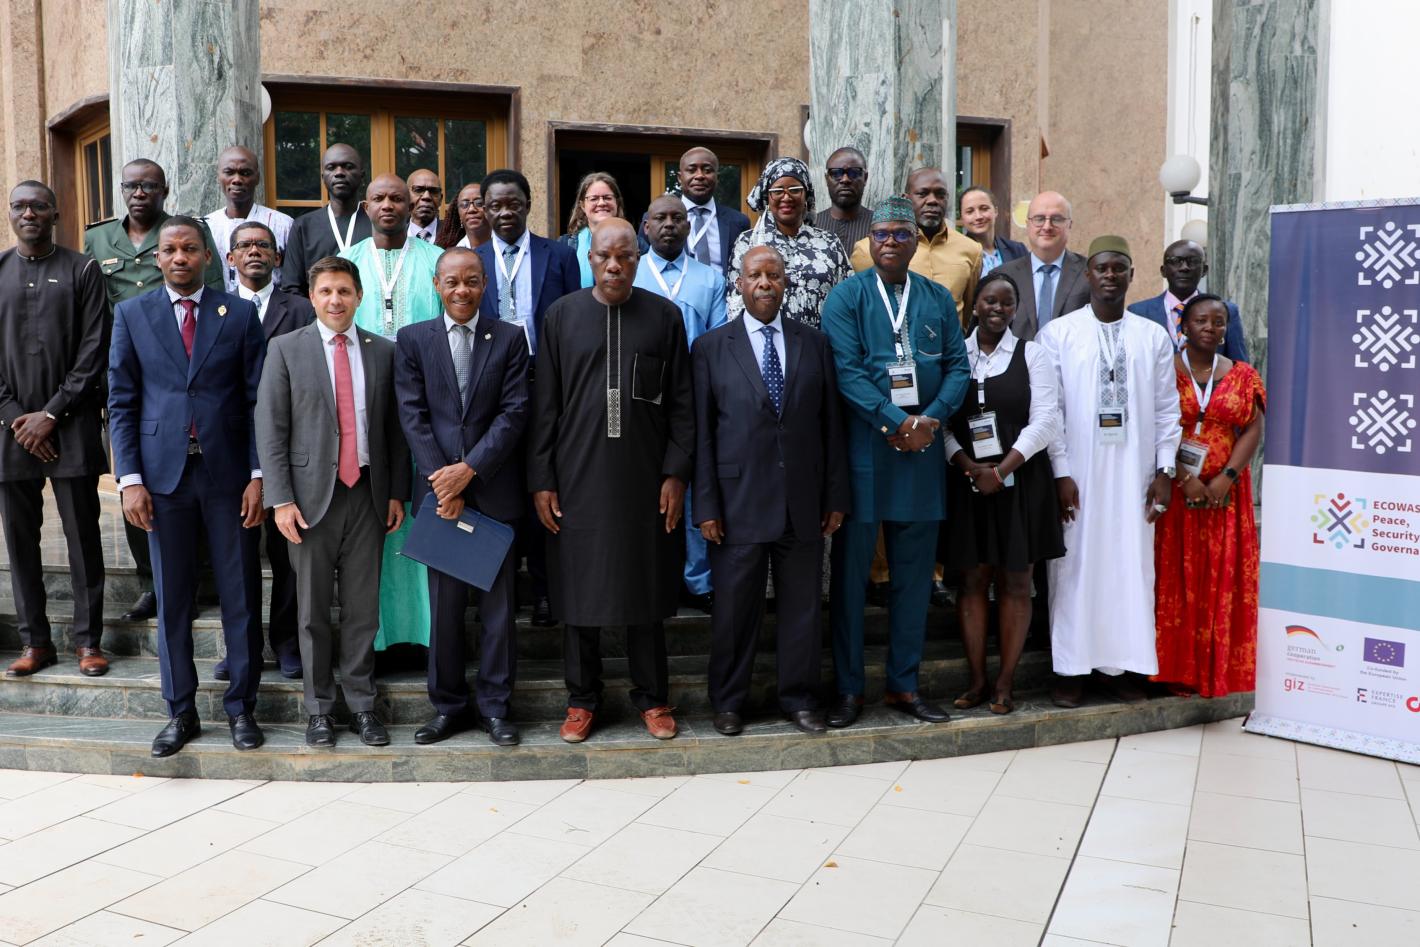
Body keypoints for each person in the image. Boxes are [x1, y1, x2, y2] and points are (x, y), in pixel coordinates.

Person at [529, 218, 694, 743]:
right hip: (576, 480)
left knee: (644, 590)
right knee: (579, 595)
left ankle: (653, 698)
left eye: (625, 256)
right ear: (590, 259)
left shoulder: (664, 318)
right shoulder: (560, 316)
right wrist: (542, 478)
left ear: (639, 258)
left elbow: (684, 406)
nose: (615, 265)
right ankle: (582, 700)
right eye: (604, 256)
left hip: (645, 480)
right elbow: (545, 407)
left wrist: (675, 473)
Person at [108, 216, 267, 757]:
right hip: (161, 480)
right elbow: (122, 402)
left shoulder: (239, 314)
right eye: (170, 249)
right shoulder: (131, 314)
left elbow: (255, 402)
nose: (180, 257)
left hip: (228, 480)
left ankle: (242, 708)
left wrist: (257, 474)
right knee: (172, 599)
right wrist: (129, 480)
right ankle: (181, 712)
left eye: (190, 249)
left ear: (208, 255)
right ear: (158, 257)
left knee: (240, 595)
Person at [821, 197, 970, 728]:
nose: (889, 241)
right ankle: (849, 689)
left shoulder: (935, 299)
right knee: (852, 580)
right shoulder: (847, 297)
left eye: (899, 234)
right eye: (880, 233)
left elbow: (957, 367)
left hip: (922, 455)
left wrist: (928, 420)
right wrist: (894, 421)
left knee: (913, 582)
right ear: (869, 241)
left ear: (913, 241)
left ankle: (904, 687)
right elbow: (846, 372)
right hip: (866, 452)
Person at [693, 245, 849, 735]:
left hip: (802, 502)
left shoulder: (814, 344)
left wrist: (835, 497)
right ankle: (728, 703)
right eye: (755, 275)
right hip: (736, 504)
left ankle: (800, 699)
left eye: (774, 275)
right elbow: (702, 434)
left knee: (802, 610)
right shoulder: (712, 347)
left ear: (786, 283)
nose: (765, 283)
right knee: (735, 612)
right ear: (738, 284)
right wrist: (707, 506)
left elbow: (831, 428)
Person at [256, 256, 409, 748]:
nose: (335, 300)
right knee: (312, 611)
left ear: (359, 296)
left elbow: (395, 433)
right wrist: (279, 499)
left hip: (366, 495)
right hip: (307, 501)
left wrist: (396, 493)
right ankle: (319, 708)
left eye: (344, 291)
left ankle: (363, 705)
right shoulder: (285, 349)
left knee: (364, 610)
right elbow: (271, 430)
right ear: (312, 297)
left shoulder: (383, 351)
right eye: (325, 292)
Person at [396, 248, 530, 746]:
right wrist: (441, 482)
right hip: (440, 499)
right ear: (437, 285)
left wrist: (467, 473)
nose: (461, 291)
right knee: (445, 611)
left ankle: (496, 707)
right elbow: (412, 415)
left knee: (499, 612)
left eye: (471, 281)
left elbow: (514, 414)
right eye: (452, 282)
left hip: (493, 492)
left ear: (484, 284)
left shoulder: (511, 339)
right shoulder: (413, 340)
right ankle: (448, 707)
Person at [1039, 235, 1181, 708]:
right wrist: (1060, 472)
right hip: (1078, 471)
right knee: (1074, 565)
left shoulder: (1152, 336)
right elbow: (1049, 410)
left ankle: (1121, 668)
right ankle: (1071, 670)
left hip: (1134, 472)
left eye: (1119, 269)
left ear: (1131, 275)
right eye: (1101, 268)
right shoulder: (1058, 334)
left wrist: (1164, 469)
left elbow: (1166, 410)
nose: (1110, 276)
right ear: (1088, 274)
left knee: (1130, 566)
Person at [84, 158, 223, 623]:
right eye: (131, 185)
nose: (139, 193)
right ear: (121, 189)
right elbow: (92, 312)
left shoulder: (186, 234)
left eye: (149, 186)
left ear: (164, 190)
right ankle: (152, 583)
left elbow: (215, 299)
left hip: (185, 369)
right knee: (137, 482)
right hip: (128, 372)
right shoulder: (97, 239)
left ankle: (199, 577)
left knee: (195, 481)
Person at [940, 270, 1063, 714]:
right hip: (968, 481)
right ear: (975, 305)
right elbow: (943, 422)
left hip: (1020, 481)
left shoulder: (1034, 356)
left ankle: (1006, 683)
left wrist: (1003, 468)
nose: (997, 309)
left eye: (1006, 303)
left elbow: (1046, 420)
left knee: (1016, 580)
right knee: (972, 579)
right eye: (989, 301)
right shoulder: (956, 355)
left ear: (1016, 310)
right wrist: (970, 466)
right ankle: (976, 680)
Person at [1, 181, 109, 679]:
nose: (29, 213)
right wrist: (16, 418)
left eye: (38, 205)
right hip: (11, 431)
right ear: (10, 214)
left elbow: (94, 351)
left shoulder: (82, 269)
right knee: (20, 541)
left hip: (71, 424)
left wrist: (52, 414)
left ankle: (89, 642)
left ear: (55, 212)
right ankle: (36, 642)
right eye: (20, 206)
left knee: (83, 536)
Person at [339, 173, 444, 661]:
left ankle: (427, 635)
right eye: (379, 198)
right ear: (365, 206)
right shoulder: (349, 263)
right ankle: (375, 639)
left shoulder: (436, 261)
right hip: (365, 410)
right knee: (374, 517)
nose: (388, 205)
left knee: (422, 513)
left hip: (428, 409)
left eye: (397, 198)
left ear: (412, 206)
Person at [475, 169, 579, 627]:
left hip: (544, 383)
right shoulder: (473, 259)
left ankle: (544, 591)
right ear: (483, 208)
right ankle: (493, 592)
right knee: (494, 489)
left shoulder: (558, 255)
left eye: (512, 203)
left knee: (542, 485)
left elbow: (574, 324)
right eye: (495, 205)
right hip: (489, 388)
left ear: (528, 203)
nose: (504, 212)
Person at [1153, 294, 1265, 697]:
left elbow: (1252, 428)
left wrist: (1226, 478)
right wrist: (1186, 479)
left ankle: (1216, 672)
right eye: (1201, 320)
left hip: (1226, 497)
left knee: (1221, 579)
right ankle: (1173, 671)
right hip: (1175, 491)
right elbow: (1155, 425)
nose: (1210, 328)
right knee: (1174, 579)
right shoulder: (1163, 370)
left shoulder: (1243, 374)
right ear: (1183, 326)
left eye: (1219, 322)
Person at [219, 220, 315, 682]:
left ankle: (287, 642)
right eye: (244, 245)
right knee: (236, 560)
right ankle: (242, 648)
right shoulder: (214, 309)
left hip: (287, 450)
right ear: (230, 258)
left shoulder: (300, 309)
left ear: (278, 258)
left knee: (287, 555)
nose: (254, 251)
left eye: (263, 245)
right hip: (228, 451)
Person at [635, 194, 727, 614]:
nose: (669, 224)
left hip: (696, 394)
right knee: (648, 485)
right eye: (660, 218)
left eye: (677, 218)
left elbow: (720, 336)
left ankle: (698, 578)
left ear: (689, 226)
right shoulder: (630, 272)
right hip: (643, 399)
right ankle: (654, 574)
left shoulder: (709, 278)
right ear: (645, 226)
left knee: (693, 484)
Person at [725, 157, 851, 329]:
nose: (786, 197)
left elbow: (847, 298)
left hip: (821, 346)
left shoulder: (829, 242)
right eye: (777, 191)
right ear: (767, 197)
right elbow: (735, 302)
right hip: (769, 347)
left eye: (795, 189)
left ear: (806, 194)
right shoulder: (747, 242)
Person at [849, 168, 981, 321]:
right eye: (923, 194)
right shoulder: (871, 249)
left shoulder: (971, 249)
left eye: (940, 194)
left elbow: (967, 314)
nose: (932, 201)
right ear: (905, 199)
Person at [1128, 240, 1250, 362]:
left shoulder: (1226, 311)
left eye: (1193, 261)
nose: (1184, 267)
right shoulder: (1138, 312)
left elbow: (1240, 368)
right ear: (1163, 271)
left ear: (1204, 270)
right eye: (1175, 261)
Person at [995, 191, 1089, 341]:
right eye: (1039, 219)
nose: (1047, 226)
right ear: (1027, 224)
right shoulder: (1002, 276)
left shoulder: (1089, 273)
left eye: (1056, 219)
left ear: (1069, 224)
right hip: (1019, 363)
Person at [281, 143, 372, 297]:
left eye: (348, 167)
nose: (339, 173)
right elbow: (292, 288)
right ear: (323, 177)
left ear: (362, 176)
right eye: (331, 167)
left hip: (370, 318)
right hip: (317, 318)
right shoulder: (303, 226)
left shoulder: (376, 225)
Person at [202, 145, 295, 293]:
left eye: (245, 173)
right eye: (229, 172)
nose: (237, 180)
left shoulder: (283, 224)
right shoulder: (206, 226)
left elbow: (293, 282)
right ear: (218, 176)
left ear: (257, 177)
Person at [560, 172, 625, 288]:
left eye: (607, 197)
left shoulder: (637, 244)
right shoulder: (565, 245)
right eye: (594, 198)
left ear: (617, 202)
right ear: (583, 206)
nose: (601, 203)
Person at [812, 146, 873, 251]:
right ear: (827, 179)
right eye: (836, 173)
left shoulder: (879, 227)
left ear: (865, 178)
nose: (845, 179)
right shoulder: (812, 226)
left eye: (854, 173)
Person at [958, 185, 1026, 276]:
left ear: (996, 211)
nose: (978, 216)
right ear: (962, 217)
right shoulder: (957, 255)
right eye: (970, 211)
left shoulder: (1017, 250)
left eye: (984, 209)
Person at [436, 182, 489, 250]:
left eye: (479, 203)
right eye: (464, 204)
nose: (471, 209)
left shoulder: (504, 245)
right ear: (459, 215)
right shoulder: (452, 255)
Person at [406, 169, 444, 244]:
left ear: (441, 199)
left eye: (433, 191)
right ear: (406, 196)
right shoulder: (394, 237)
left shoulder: (454, 236)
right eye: (418, 190)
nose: (426, 197)